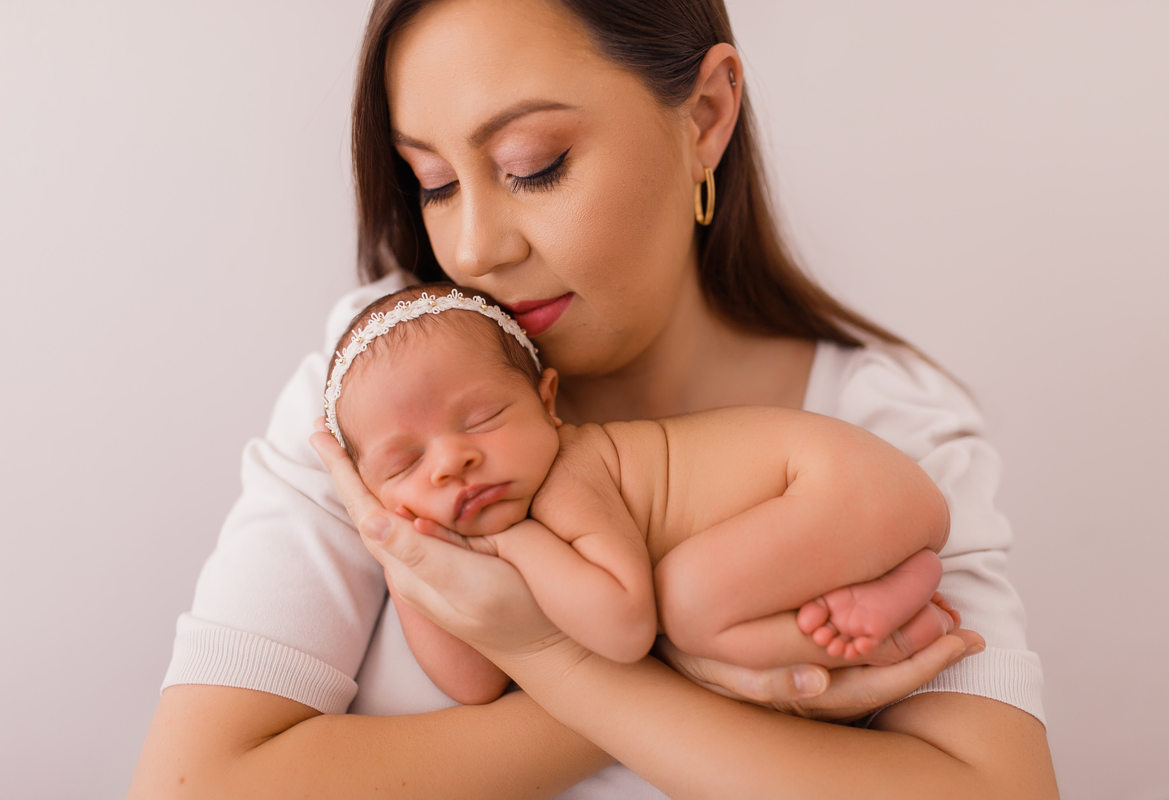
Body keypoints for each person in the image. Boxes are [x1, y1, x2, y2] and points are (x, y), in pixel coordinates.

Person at [129, 0, 1058, 797]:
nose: (475, 249)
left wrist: (554, 658)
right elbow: (192, 785)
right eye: (436, 183)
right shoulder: (384, 390)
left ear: (703, 115)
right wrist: (708, 680)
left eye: (534, 164)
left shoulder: (885, 426)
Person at [324, 284, 960, 705]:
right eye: (404, 462)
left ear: (547, 403)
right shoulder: (501, 507)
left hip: (841, 480)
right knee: (699, 606)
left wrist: (516, 540)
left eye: (483, 419)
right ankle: (896, 590)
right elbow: (477, 680)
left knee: (683, 606)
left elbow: (626, 629)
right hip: (858, 501)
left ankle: (897, 620)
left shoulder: (571, 477)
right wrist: (397, 549)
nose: (452, 461)